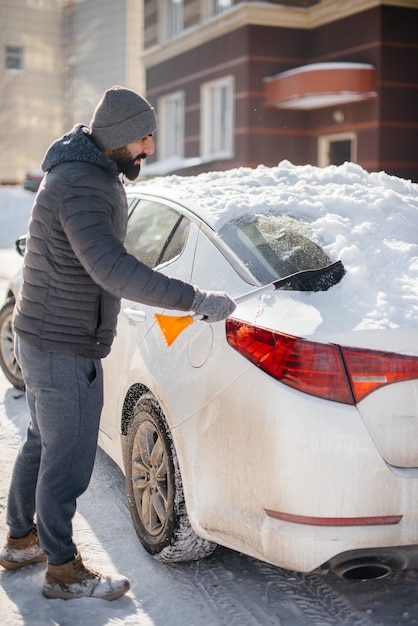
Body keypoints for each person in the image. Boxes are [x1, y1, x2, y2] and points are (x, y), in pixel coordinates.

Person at [0, 86, 236, 600]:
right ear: (119, 137)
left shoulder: (81, 173)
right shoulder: (84, 185)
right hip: (63, 344)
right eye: (145, 137)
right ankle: (63, 571)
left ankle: (20, 540)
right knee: (68, 457)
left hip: (44, 334)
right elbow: (110, 268)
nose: (149, 147)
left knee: (44, 442)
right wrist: (195, 297)